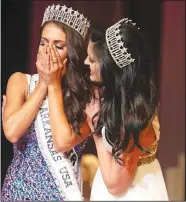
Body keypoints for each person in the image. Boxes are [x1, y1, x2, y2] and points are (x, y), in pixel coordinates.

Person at [1, 4, 92, 201]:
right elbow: (12, 131)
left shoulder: (88, 97)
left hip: (62, 194)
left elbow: (61, 142)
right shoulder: (20, 82)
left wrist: (54, 85)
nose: (48, 51)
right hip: (18, 193)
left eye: (58, 46)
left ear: (74, 53)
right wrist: (43, 84)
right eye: (43, 43)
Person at [84, 18, 169, 200]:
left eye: (92, 59)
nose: (86, 62)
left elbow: (116, 185)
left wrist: (96, 131)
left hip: (134, 193)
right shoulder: (118, 100)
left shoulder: (131, 114)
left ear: (110, 67)